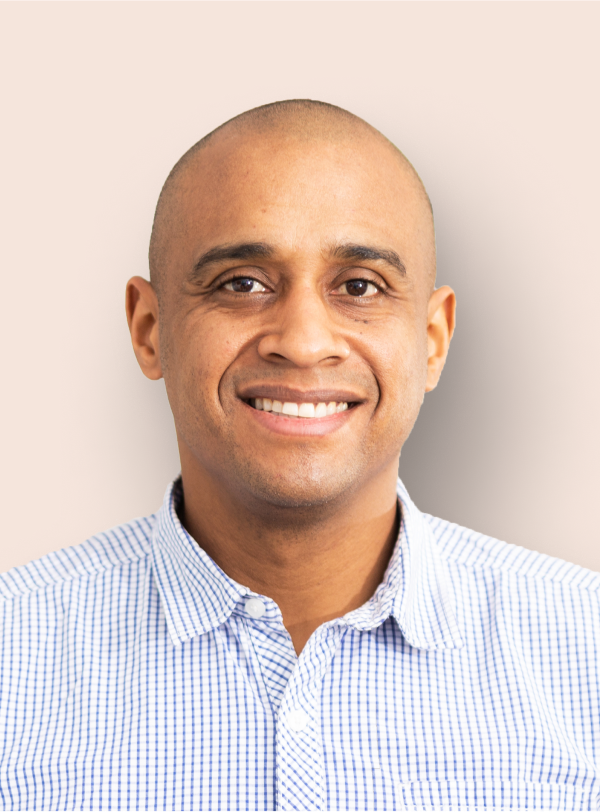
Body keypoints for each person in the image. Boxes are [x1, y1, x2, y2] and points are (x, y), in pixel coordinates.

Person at [0, 100, 598, 811]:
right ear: (150, 328)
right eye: (242, 283)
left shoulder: (585, 655)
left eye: (359, 287)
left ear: (433, 338)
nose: (305, 340)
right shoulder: (15, 658)